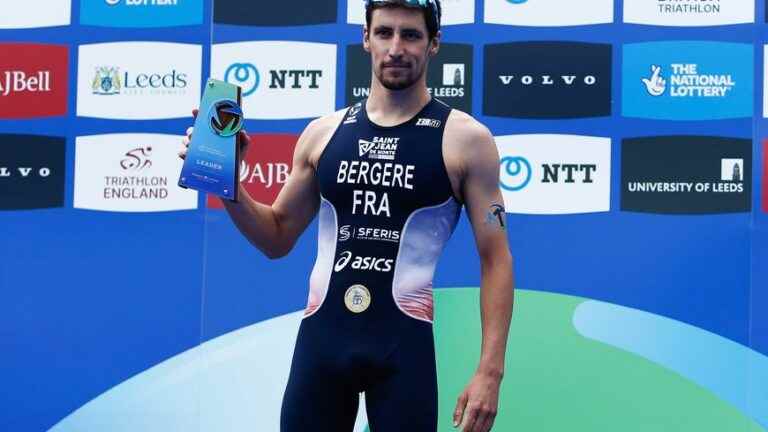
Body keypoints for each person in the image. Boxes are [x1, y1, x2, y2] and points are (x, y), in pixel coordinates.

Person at [180, 0, 514, 430]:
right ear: (365, 39)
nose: (396, 47)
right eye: (384, 33)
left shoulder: (467, 141)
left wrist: (490, 371)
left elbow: (496, 258)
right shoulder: (324, 134)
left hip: (401, 350)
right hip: (322, 347)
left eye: (411, 35)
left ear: (434, 44)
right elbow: (276, 236)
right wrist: (227, 183)